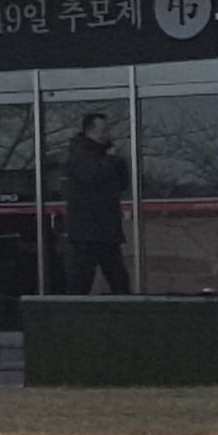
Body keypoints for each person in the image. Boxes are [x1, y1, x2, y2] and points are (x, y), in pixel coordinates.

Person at [55, 110, 135, 296]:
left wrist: (118, 162)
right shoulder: (79, 154)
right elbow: (93, 176)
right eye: (103, 131)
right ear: (90, 131)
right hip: (87, 234)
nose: (107, 135)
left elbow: (121, 184)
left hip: (106, 232)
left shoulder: (103, 155)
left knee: (120, 283)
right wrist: (111, 160)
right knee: (81, 284)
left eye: (108, 130)